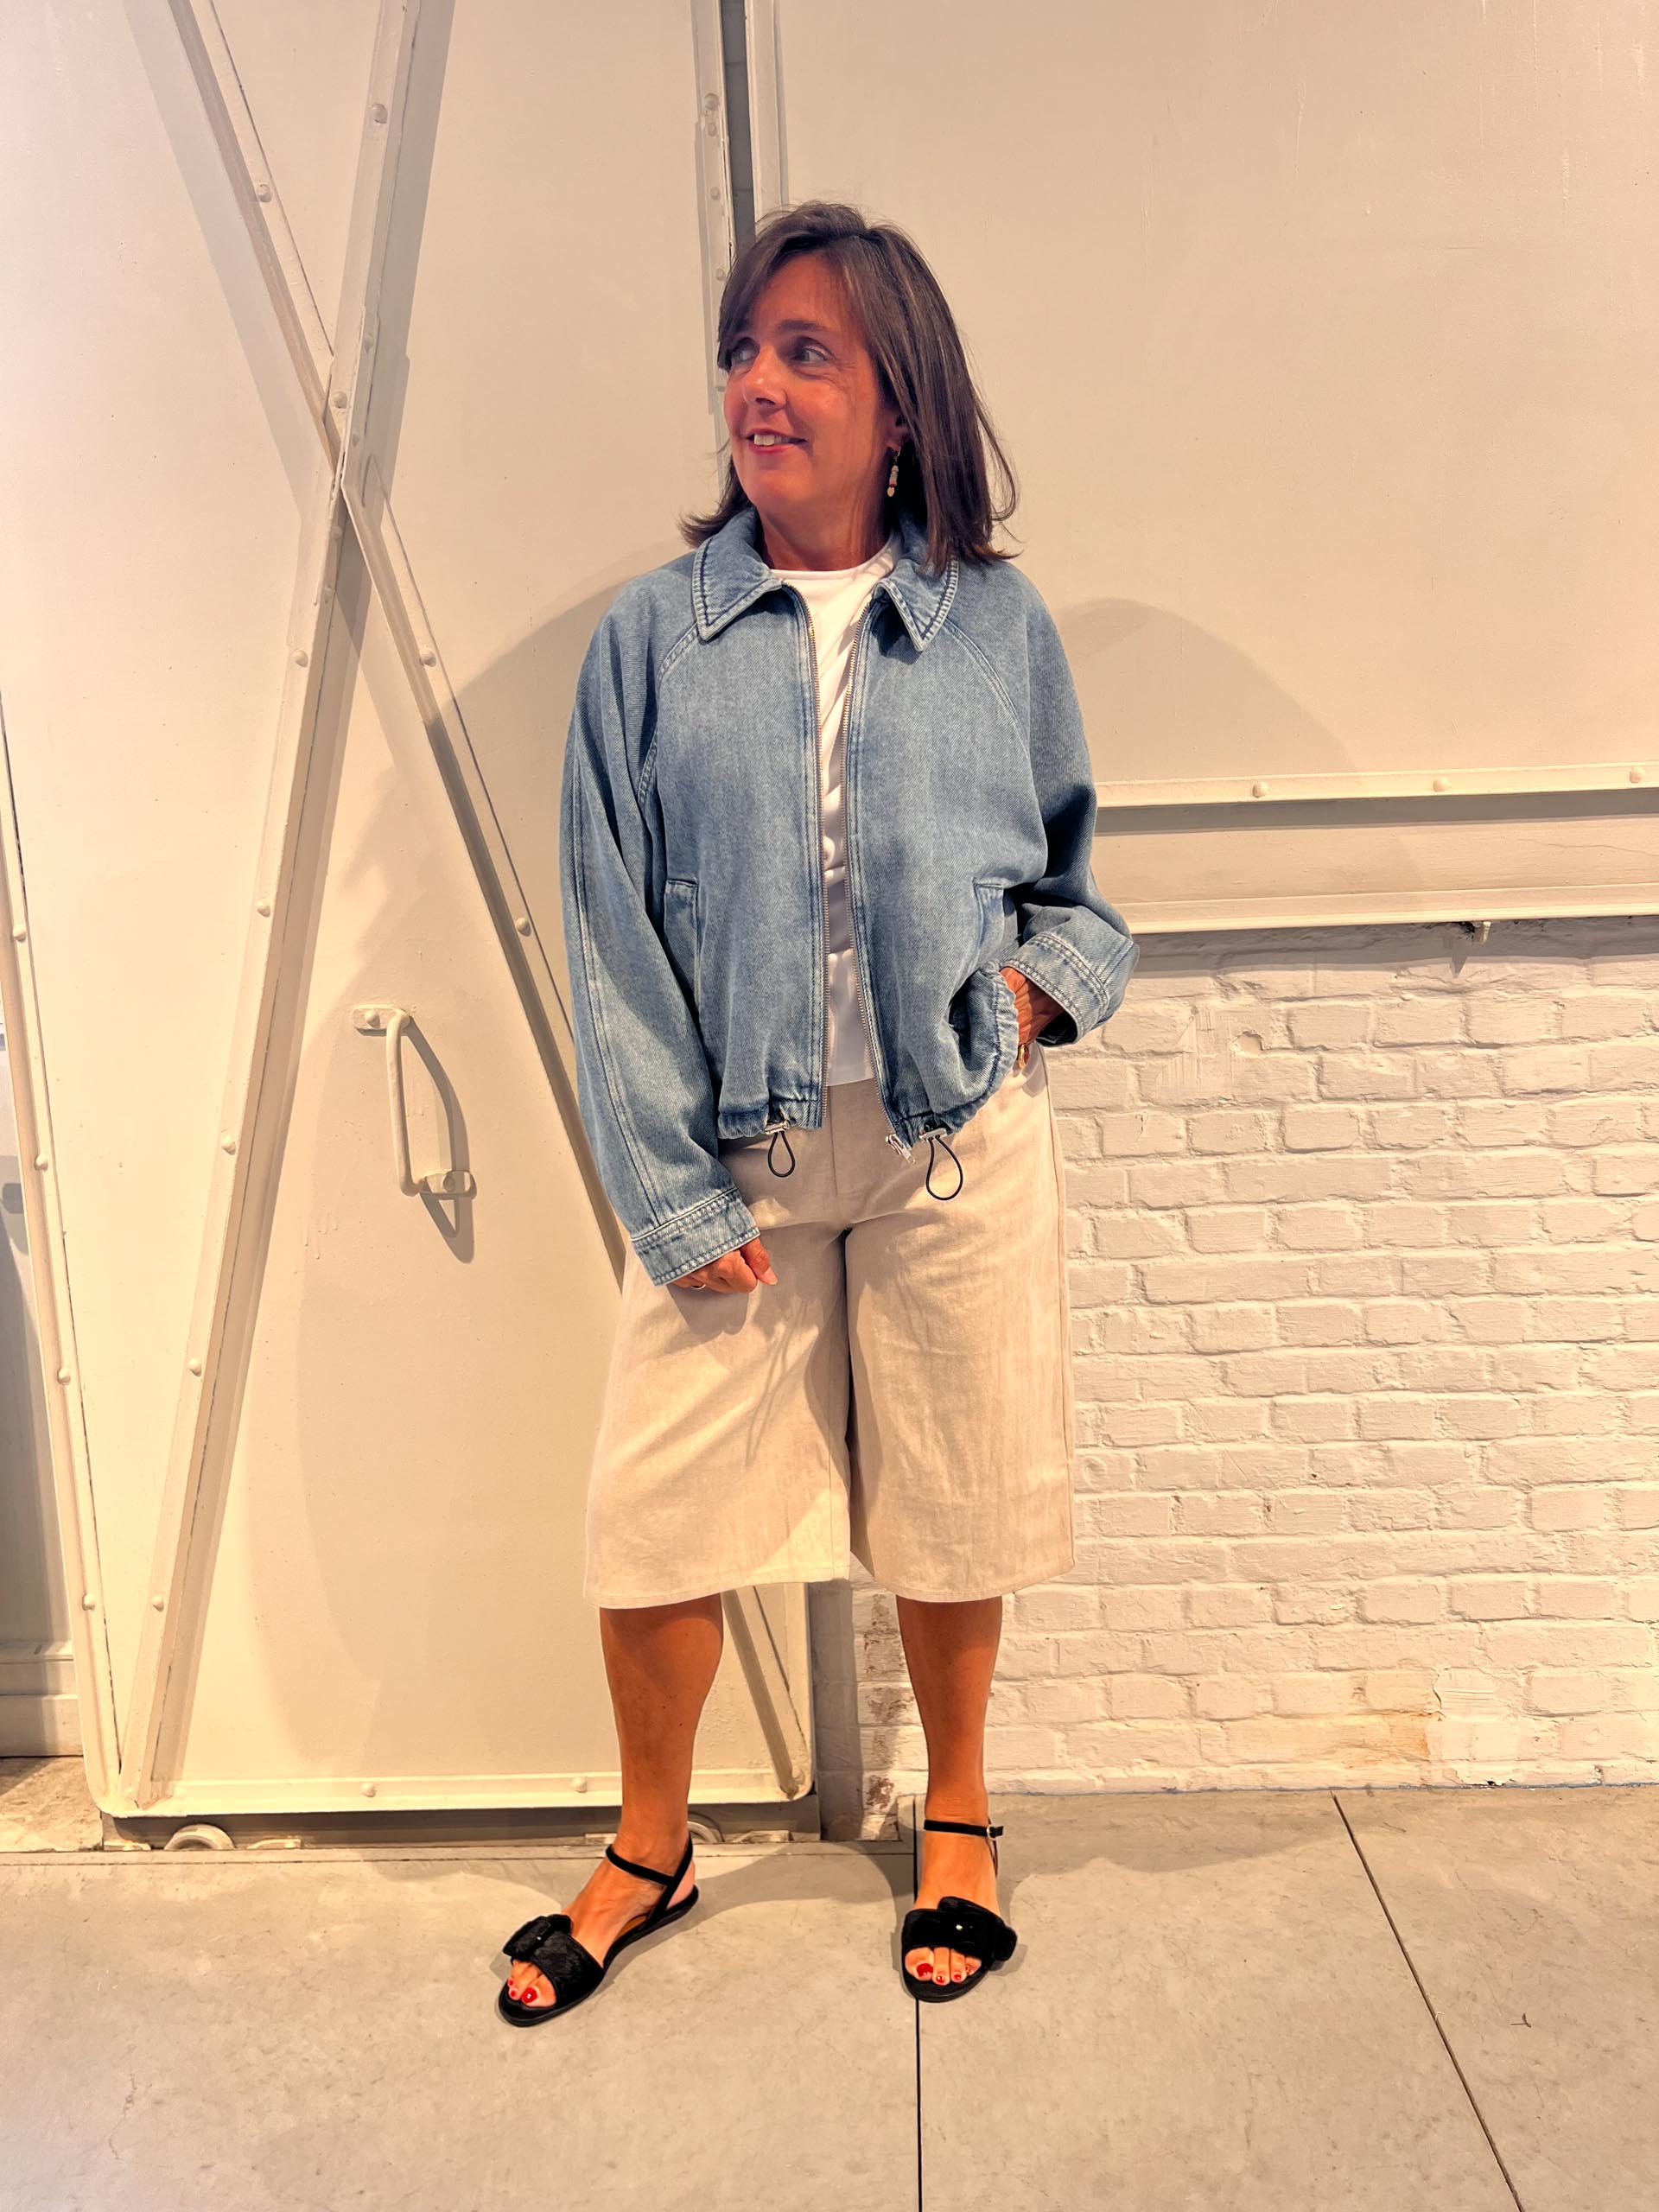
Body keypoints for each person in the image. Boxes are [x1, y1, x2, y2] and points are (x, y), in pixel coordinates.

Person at [498, 200, 1138, 2024]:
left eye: (805, 353)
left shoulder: (995, 626)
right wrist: (671, 1191)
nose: (757, 386)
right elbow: (609, 928)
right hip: (743, 1156)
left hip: (952, 1149)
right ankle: (652, 1843)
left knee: (950, 1499)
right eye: (743, 351)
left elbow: (1078, 894)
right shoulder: (655, 637)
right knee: (654, 1515)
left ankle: (959, 1814)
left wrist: (1025, 998)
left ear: (899, 402)